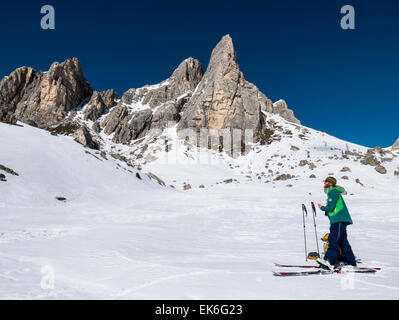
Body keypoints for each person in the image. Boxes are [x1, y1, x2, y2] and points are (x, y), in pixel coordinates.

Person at [316, 176, 357, 270]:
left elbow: (330, 207)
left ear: (330, 183)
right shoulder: (333, 192)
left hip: (338, 220)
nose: (324, 183)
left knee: (334, 240)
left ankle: (329, 261)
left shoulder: (333, 192)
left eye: (326, 181)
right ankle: (351, 263)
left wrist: (322, 208)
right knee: (343, 243)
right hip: (339, 219)